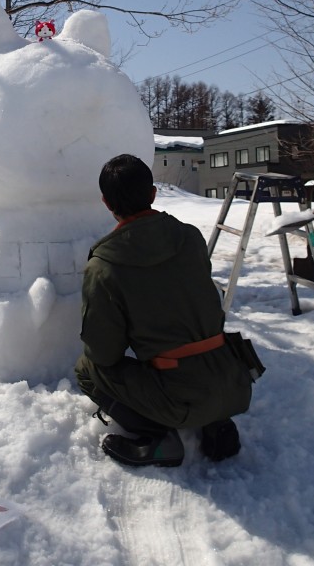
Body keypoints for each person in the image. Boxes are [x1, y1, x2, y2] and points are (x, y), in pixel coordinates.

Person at [74, 154, 255, 467]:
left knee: (88, 368)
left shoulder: (105, 265)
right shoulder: (191, 237)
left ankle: (156, 437)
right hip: (233, 380)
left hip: (179, 392)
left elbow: (104, 353)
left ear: (106, 203)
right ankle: (217, 425)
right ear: (153, 193)